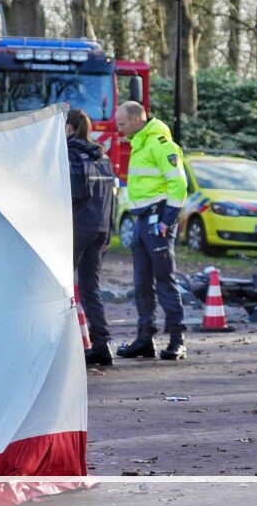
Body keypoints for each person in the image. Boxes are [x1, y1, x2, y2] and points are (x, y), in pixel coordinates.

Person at [113, 100, 188, 360]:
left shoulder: (159, 144)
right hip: (142, 220)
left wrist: (168, 219)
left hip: (158, 220)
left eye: (122, 124)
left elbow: (179, 184)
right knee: (141, 282)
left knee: (165, 279)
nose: (119, 129)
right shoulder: (140, 143)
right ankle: (145, 339)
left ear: (136, 120)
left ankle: (177, 340)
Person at [66, 108, 116, 365]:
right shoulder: (102, 157)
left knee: (60, 284)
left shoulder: (71, 154)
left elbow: (73, 193)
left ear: (69, 128)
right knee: (90, 288)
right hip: (101, 228)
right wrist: (110, 230)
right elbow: (112, 196)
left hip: (78, 226)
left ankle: (60, 346)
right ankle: (102, 345)